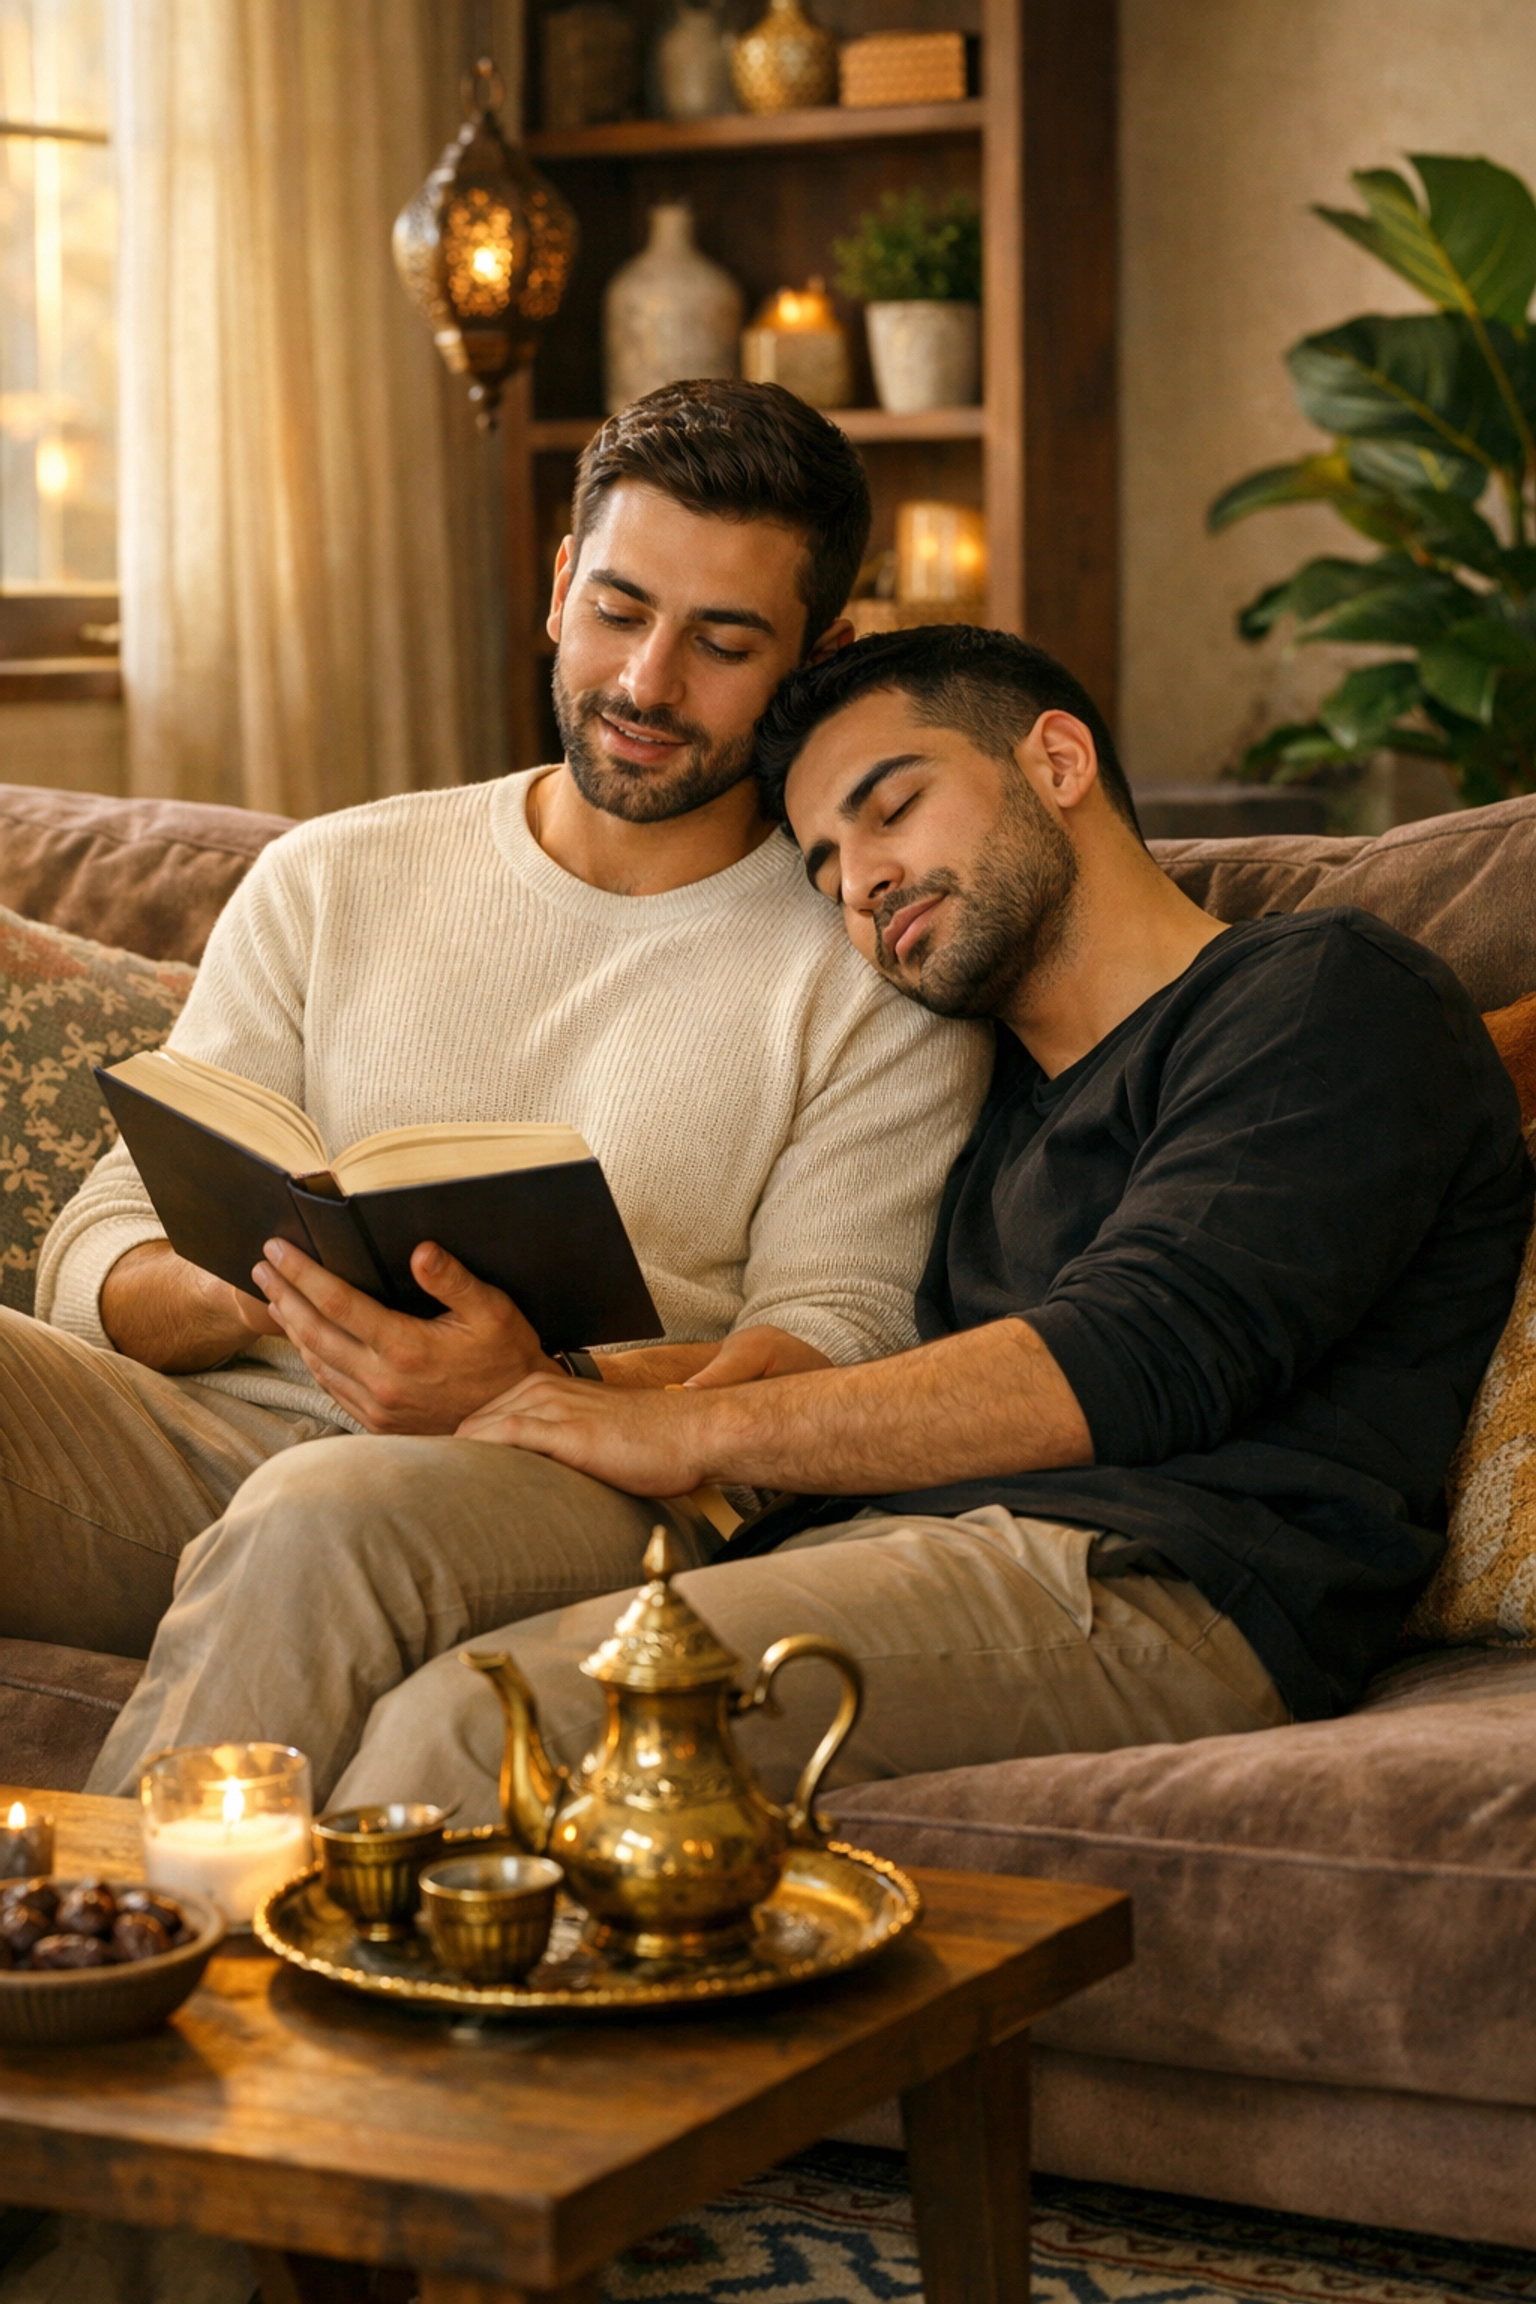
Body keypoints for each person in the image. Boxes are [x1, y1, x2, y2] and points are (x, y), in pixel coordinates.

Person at [311, 623, 1531, 1822]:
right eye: (827, 865)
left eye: (889, 809)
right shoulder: (980, 1100)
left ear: (1058, 762)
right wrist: (550, 1383)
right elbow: (875, 1360)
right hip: (882, 1545)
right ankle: (138, 1947)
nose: (860, 883)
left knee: (483, 1722)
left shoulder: (1323, 993)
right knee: (337, 1537)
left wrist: (698, 1434)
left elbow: (1137, 1359)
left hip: (1166, 1587)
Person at [1, 382, 993, 1796]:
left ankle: (111, 1978)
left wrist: (531, 1380)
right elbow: (96, 1246)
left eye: (722, 642)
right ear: (557, 586)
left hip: (588, 1485)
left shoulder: (864, 952)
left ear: (817, 659)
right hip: (221, 1428)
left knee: (321, 1511)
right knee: (290, 1484)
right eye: (618, 608)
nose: (647, 683)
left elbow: (838, 1347)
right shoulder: (336, 876)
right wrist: (262, 1285)